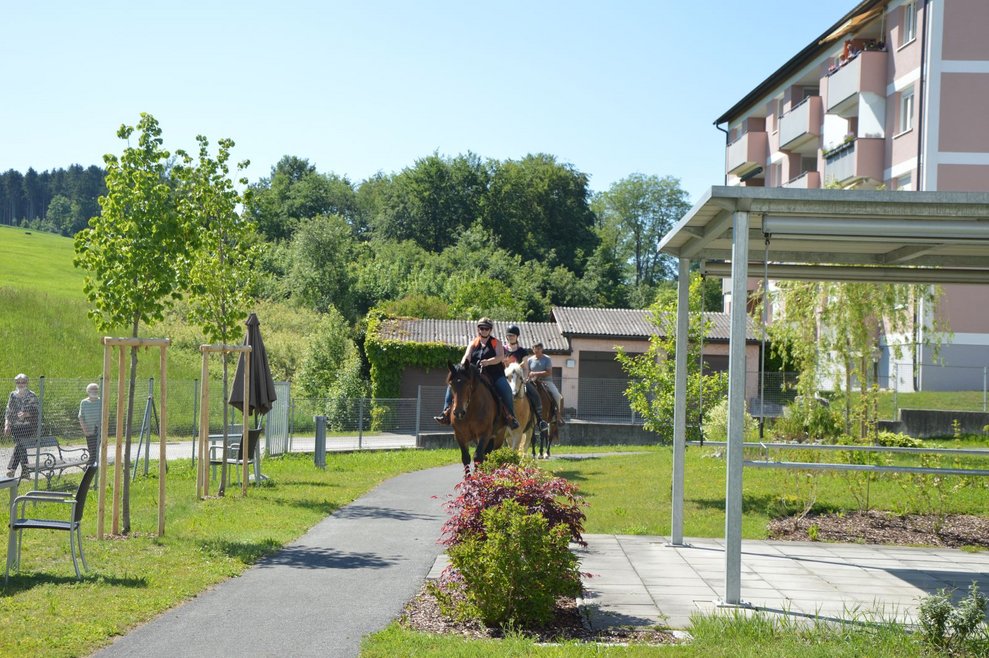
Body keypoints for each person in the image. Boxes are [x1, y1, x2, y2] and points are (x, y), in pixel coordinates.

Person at [435, 317, 519, 429]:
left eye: (487, 328)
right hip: (475, 375)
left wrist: (488, 362)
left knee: (506, 389)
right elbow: (467, 356)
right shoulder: (473, 343)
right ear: (478, 329)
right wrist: (463, 365)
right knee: (454, 385)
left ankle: (510, 416)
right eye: (481, 328)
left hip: (494, 374)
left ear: (490, 330)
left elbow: (500, 357)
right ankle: (445, 413)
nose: (484, 330)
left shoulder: (496, 342)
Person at [502, 324, 550, 433]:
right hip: (505, 379)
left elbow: (525, 368)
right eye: (509, 335)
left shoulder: (522, 351)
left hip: (518, 379)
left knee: (535, 394)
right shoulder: (502, 350)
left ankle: (540, 420)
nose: (510, 337)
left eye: (513, 335)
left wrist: (524, 378)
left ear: (517, 336)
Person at [4, 374, 40, 478]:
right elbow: (8, 411)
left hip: (28, 426)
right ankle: (25, 471)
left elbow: (37, 411)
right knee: (21, 447)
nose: (20, 384)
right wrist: (7, 425)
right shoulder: (13, 395)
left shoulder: (31, 395)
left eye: (23, 382)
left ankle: (12, 469)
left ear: (27, 383)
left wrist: (26, 414)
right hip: (16, 426)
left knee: (19, 445)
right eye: (18, 382)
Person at [526, 343, 565, 424]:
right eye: (535, 348)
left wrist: (535, 373)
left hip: (546, 381)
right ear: (533, 349)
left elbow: (549, 372)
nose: (537, 350)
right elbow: (529, 372)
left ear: (542, 349)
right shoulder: (530, 360)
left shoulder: (547, 359)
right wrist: (528, 377)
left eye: (539, 348)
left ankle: (557, 415)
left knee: (557, 396)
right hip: (533, 381)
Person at [78, 382, 102, 464]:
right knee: (91, 448)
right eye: (92, 389)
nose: (94, 391)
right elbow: (81, 417)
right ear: (88, 391)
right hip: (88, 429)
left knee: (95, 448)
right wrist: (85, 430)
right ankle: (92, 465)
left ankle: (90, 465)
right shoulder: (84, 402)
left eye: (96, 389)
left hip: (98, 429)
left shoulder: (101, 401)